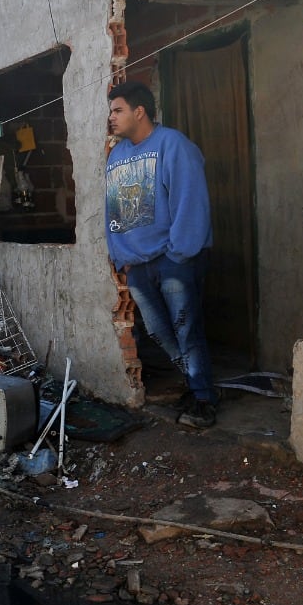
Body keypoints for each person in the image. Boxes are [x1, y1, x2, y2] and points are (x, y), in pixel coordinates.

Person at [104, 81, 216, 429]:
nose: (112, 117)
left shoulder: (173, 145)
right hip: (137, 263)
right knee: (157, 331)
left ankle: (203, 400)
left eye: (118, 110)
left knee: (187, 329)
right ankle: (196, 384)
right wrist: (120, 255)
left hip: (175, 257)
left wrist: (179, 253)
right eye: (111, 111)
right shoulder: (117, 156)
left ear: (139, 112)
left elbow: (190, 200)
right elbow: (114, 211)